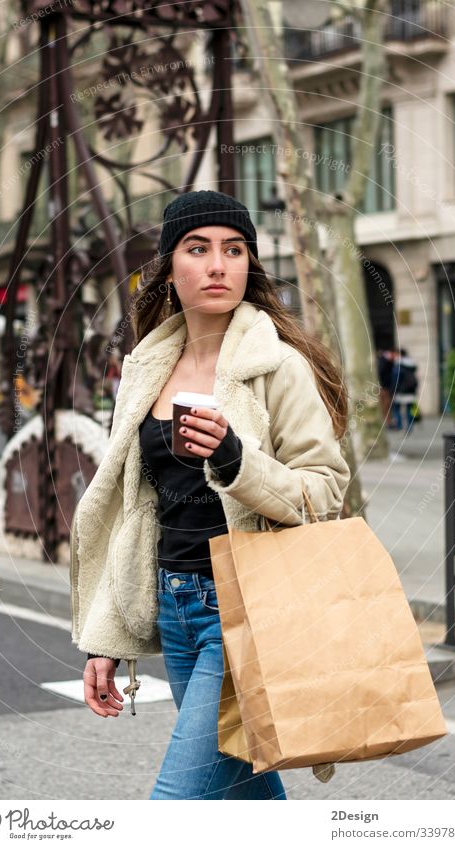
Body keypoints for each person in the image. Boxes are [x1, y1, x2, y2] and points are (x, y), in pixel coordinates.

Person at [70, 190, 351, 800]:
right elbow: (136, 513)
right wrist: (105, 637)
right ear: (169, 268)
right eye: (198, 249)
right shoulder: (145, 368)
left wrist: (236, 461)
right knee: (241, 797)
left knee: (178, 805)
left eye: (235, 249)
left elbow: (325, 489)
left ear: (251, 265)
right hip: (177, 608)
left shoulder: (276, 365)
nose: (218, 264)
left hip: (249, 608)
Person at [390, 347, 419, 432]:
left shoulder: (398, 365)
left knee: (396, 408)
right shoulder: (411, 365)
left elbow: (395, 379)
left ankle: (399, 426)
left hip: (400, 390)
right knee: (409, 409)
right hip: (410, 390)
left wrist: (393, 389)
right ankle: (410, 428)